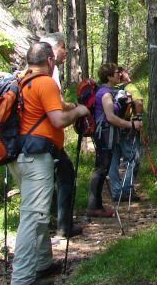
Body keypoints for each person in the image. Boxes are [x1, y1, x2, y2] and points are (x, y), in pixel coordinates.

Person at [9, 42, 90, 285]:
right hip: (36, 156)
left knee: (38, 211)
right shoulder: (45, 82)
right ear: (49, 60)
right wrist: (78, 112)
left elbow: (42, 113)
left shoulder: (20, 81)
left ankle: (43, 264)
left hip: (18, 156)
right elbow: (57, 119)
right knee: (33, 216)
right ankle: (22, 278)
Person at [86, 63, 142, 218]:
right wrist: (131, 124)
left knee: (103, 167)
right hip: (104, 134)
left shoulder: (108, 91)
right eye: (117, 72)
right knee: (101, 168)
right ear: (109, 76)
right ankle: (93, 206)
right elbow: (110, 117)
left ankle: (95, 205)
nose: (120, 74)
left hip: (105, 134)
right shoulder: (105, 94)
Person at [39, 31, 77, 237]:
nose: (66, 52)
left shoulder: (43, 72)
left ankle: (58, 221)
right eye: (64, 47)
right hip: (46, 138)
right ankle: (63, 224)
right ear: (53, 50)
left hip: (39, 139)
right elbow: (57, 107)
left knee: (58, 175)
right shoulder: (49, 73)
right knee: (65, 173)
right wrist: (74, 109)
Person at [108, 67, 144, 202]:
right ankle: (127, 190)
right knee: (132, 158)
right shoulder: (130, 87)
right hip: (128, 127)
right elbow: (139, 102)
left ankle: (116, 191)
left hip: (112, 128)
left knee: (114, 159)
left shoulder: (110, 89)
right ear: (123, 74)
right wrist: (138, 116)